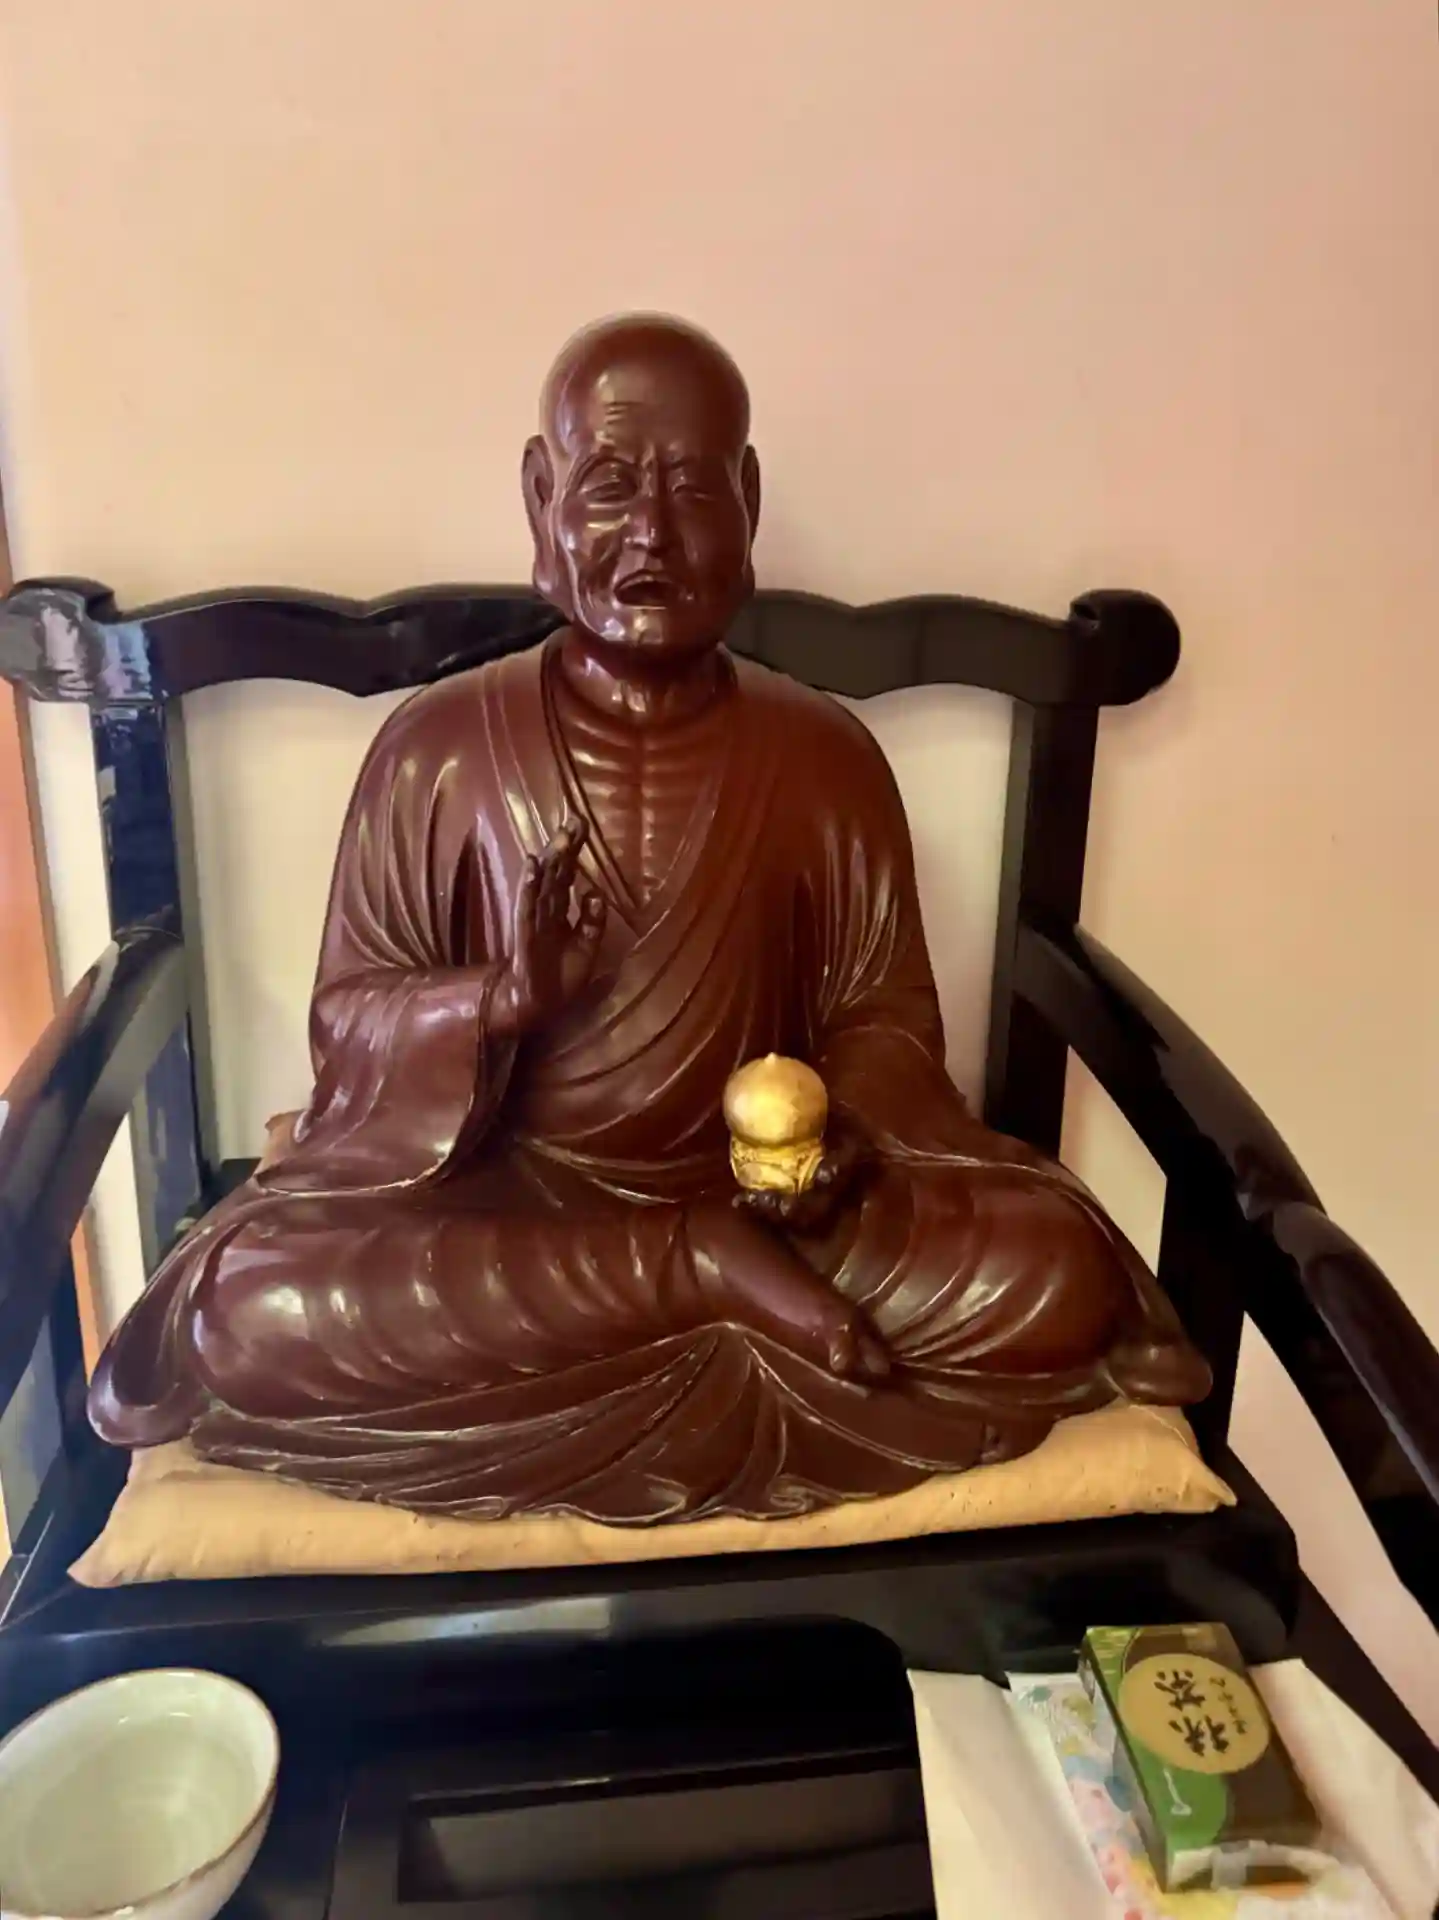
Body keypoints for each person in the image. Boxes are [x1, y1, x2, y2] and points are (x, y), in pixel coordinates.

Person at [89, 314, 1209, 1522]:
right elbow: (348, 1029)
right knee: (252, 1304)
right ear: (540, 499)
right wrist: (500, 1001)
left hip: (772, 1217)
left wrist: (826, 1147)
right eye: (610, 485)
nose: (652, 535)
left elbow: (880, 1022)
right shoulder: (435, 751)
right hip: (509, 1205)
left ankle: (712, 1269)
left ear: (748, 502)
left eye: (692, 487)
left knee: (1051, 1266)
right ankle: (690, 1273)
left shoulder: (824, 757)